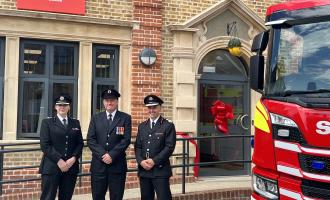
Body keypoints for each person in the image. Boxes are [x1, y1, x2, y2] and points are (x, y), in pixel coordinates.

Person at [87, 89, 132, 200]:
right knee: (97, 196)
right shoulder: (96, 118)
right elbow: (90, 139)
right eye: (107, 100)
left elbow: (125, 140)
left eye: (112, 100)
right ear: (103, 102)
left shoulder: (125, 118)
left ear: (117, 102)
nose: (109, 103)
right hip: (99, 165)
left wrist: (111, 155)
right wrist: (103, 154)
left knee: (116, 196)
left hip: (117, 165)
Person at [39, 95, 84, 200]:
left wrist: (73, 158)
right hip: (51, 167)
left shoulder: (75, 123)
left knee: (66, 197)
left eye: (65, 105)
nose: (62, 107)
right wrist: (59, 160)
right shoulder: (47, 123)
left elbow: (80, 143)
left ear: (69, 107)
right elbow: (45, 145)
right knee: (48, 197)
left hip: (70, 167)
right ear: (55, 107)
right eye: (59, 105)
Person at [134, 94, 176, 200]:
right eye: (149, 107)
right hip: (144, 170)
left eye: (154, 107)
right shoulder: (142, 126)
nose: (151, 110)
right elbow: (138, 147)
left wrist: (154, 161)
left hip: (160, 170)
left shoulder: (167, 125)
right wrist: (141, 161)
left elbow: (169, 147)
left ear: (160, 108)